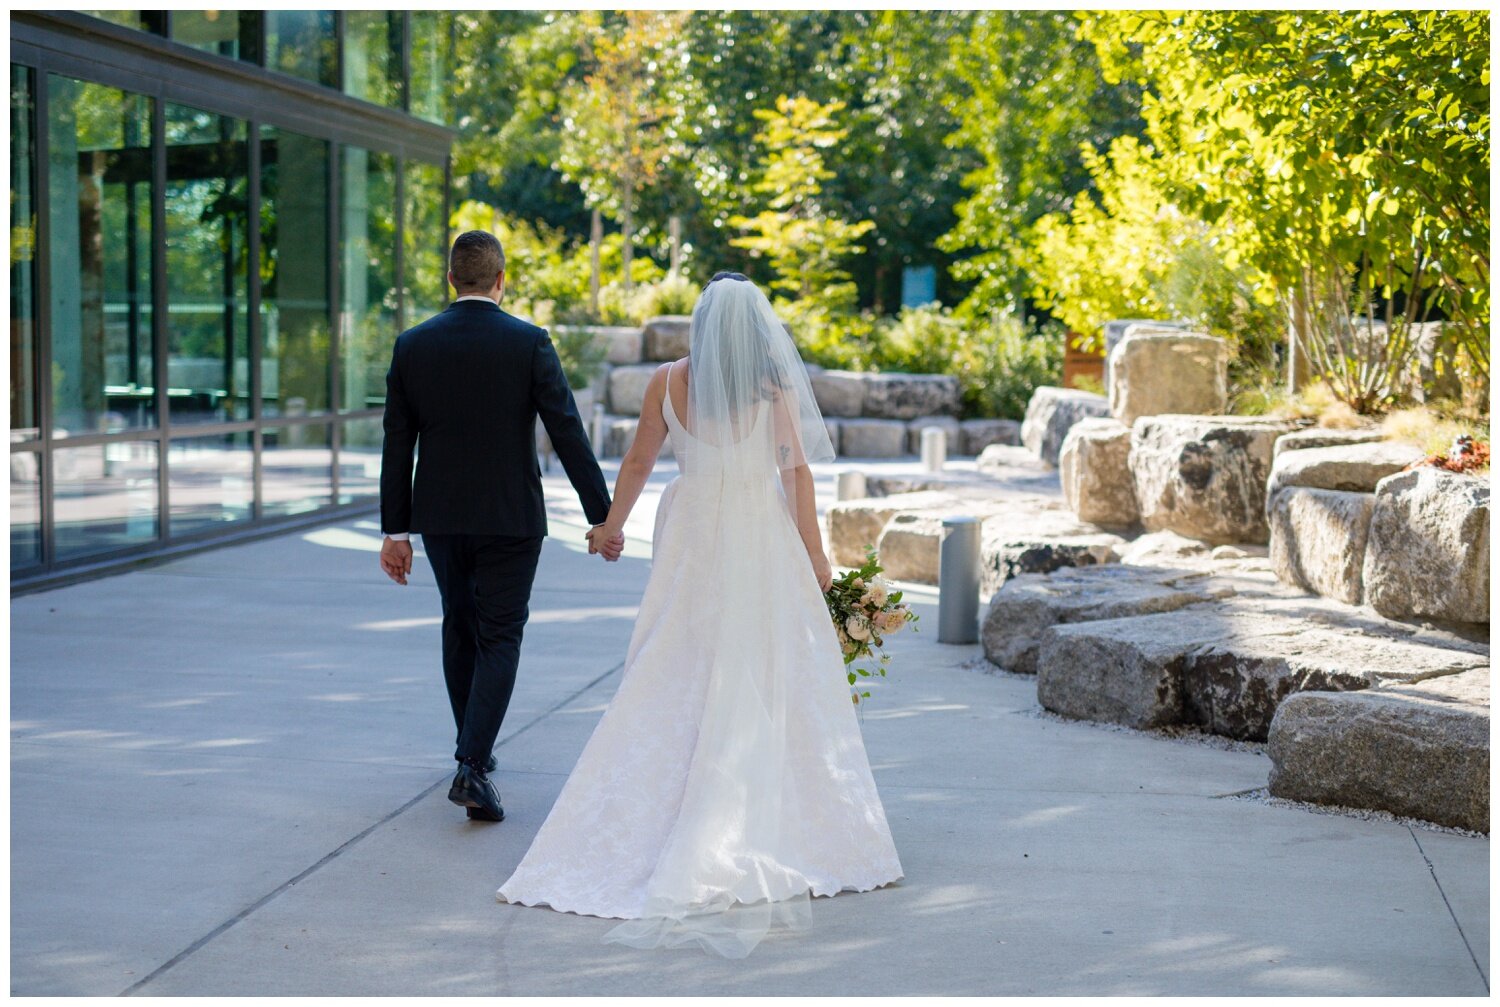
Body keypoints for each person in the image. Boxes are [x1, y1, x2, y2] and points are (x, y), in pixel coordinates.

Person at [497, 273, 903, 958]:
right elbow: (794, 472)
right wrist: (819, 558)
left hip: (693, 535)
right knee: (769, 666)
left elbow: (637, 459)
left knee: (676, 663)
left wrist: (610, 526)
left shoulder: (667, 381)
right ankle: (782, 818)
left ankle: (665, 812)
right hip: (759, 534)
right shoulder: (771, 387)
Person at [378, 230, 623, 824]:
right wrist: (603, 516)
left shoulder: (413, 345)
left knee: (459, 625)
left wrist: (395, 531)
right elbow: (566, 430)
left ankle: (474, 756)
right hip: (511, 517)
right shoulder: (528, 342)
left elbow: (397, 441)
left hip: (439, 518)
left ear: (451, 279)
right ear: (500, 278)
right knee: (501, 635)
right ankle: (471, 762)